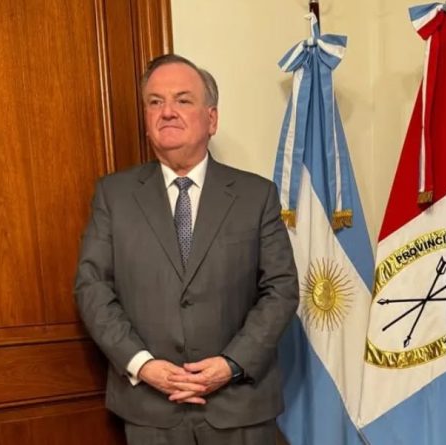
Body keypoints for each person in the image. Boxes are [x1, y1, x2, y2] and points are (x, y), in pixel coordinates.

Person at [74, 54, 299, 444]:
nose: (167, 112)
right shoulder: (113, 195)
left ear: (211, 119)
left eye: (182, 100)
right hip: (150, 410)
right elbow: (91, 288)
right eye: (155, 102)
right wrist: (142, 365)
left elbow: (281, 290)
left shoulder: (256, 195)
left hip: (240, 408)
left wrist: (231, 364)